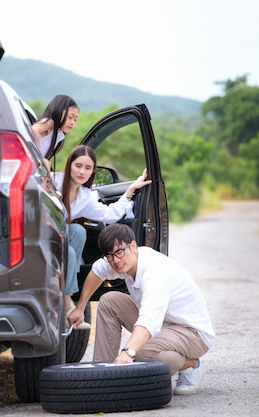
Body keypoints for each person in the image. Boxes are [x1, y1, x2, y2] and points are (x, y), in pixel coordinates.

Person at [68, 223, 216, 395]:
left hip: (192, 333)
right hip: (164, 325)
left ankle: (192, 365)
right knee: (109, 301)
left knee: (142, 352)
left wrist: (127, 353)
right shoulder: (121, 260)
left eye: (119, 252)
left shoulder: (155, 273)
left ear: (133, 246)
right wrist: (79, 308)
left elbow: (148, 321)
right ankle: (102, 373)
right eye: (110, 255)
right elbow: (96, 272)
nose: (115, 260)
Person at [54, 145, 151, 329]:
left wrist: (130, 190)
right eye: (78, 165)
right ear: (69, 165)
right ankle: (68, 305)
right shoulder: (52, 182)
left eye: (88, 168)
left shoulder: (85, 197)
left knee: (78, 231)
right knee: (71, 253)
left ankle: (64, 288)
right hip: (40, 235)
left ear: (93, 171)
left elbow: (110, 215)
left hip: (58, 240)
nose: (82, 171)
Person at [31, 94, 79, 170]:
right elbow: (34, 130)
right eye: (70, 117)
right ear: (58, 111)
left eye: (75, 119)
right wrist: (40, 158)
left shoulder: (59, 134)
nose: (72, 122)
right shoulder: (49, 123)